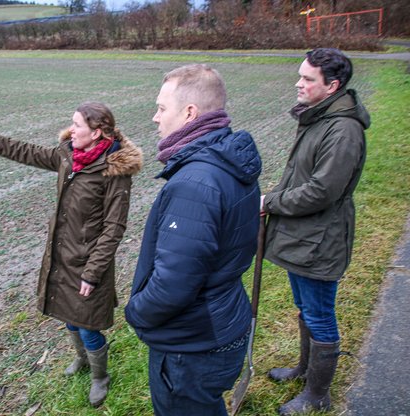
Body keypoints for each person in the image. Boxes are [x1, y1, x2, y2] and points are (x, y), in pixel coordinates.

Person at [0, 102, 143, 407]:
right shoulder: (68, 155)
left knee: (88, 324)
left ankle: (99, 376)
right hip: (62, 255)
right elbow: (22, 150)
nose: (71, 129)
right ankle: (82, 360)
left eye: (77, 125)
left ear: (97, 132)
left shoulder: (113, 172)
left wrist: (92, 273)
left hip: (89, 262)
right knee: (69, 317)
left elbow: (114, 228)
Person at [124, 64, 262, 415]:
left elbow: (173, 285)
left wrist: (135, 312)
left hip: (194, 343)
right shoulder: (229, 160)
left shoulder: (194, 183)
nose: (155, 118)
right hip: (223, 320)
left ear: (189, 113)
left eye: (161, 108)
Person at [261, 48, 370, 415]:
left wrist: (270, 202)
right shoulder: (320, 118)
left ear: (332, 85)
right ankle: (305, 371)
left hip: (320, 239)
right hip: (301, 235)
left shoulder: (343, 129)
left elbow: (323, 190)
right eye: (301, 75)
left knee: (320, 314)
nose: (299, 83)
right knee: (305, 309)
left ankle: (317, 395)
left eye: (308, 78)